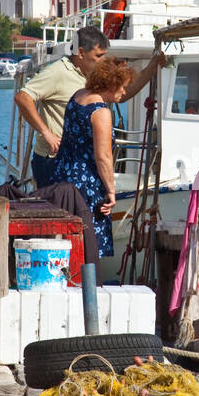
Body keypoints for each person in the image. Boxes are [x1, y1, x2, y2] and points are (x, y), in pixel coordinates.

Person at [15, 25, 164, 189]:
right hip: (51, 160)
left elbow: (122, 95)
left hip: (80, 163)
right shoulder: (58, 71)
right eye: (98, 56)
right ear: (80, 53)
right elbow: (23, 97)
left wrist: (152, 66)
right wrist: (46, 133)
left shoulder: (92, 74)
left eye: (104, 56)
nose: (103, 61)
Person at [49, 59, 133, 258]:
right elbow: (103, 156)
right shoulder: (100, 111)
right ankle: (87, 285)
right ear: (111, 83)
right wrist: (112, 190)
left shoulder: (77, 96)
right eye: (122, 87)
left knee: (64, 242)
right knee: (88, 247)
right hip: (86, 186)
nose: (124, 92)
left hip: (62, 175)